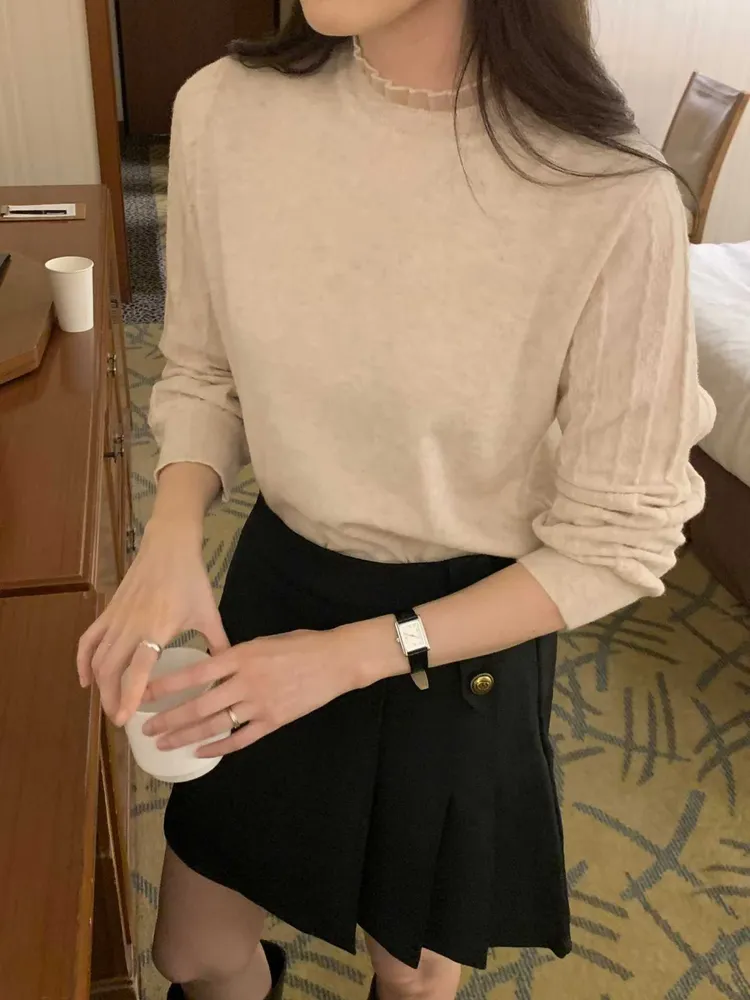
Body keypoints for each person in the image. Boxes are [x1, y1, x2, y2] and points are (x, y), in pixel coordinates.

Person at [77, 0, 716, 998]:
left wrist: (353, 656)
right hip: (284, 574)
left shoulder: (609, 194)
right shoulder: (223, 111)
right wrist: (169, 534)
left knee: (412, 975)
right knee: (191, 952)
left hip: (462, 630)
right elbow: (203, 368)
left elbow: (619, 538)